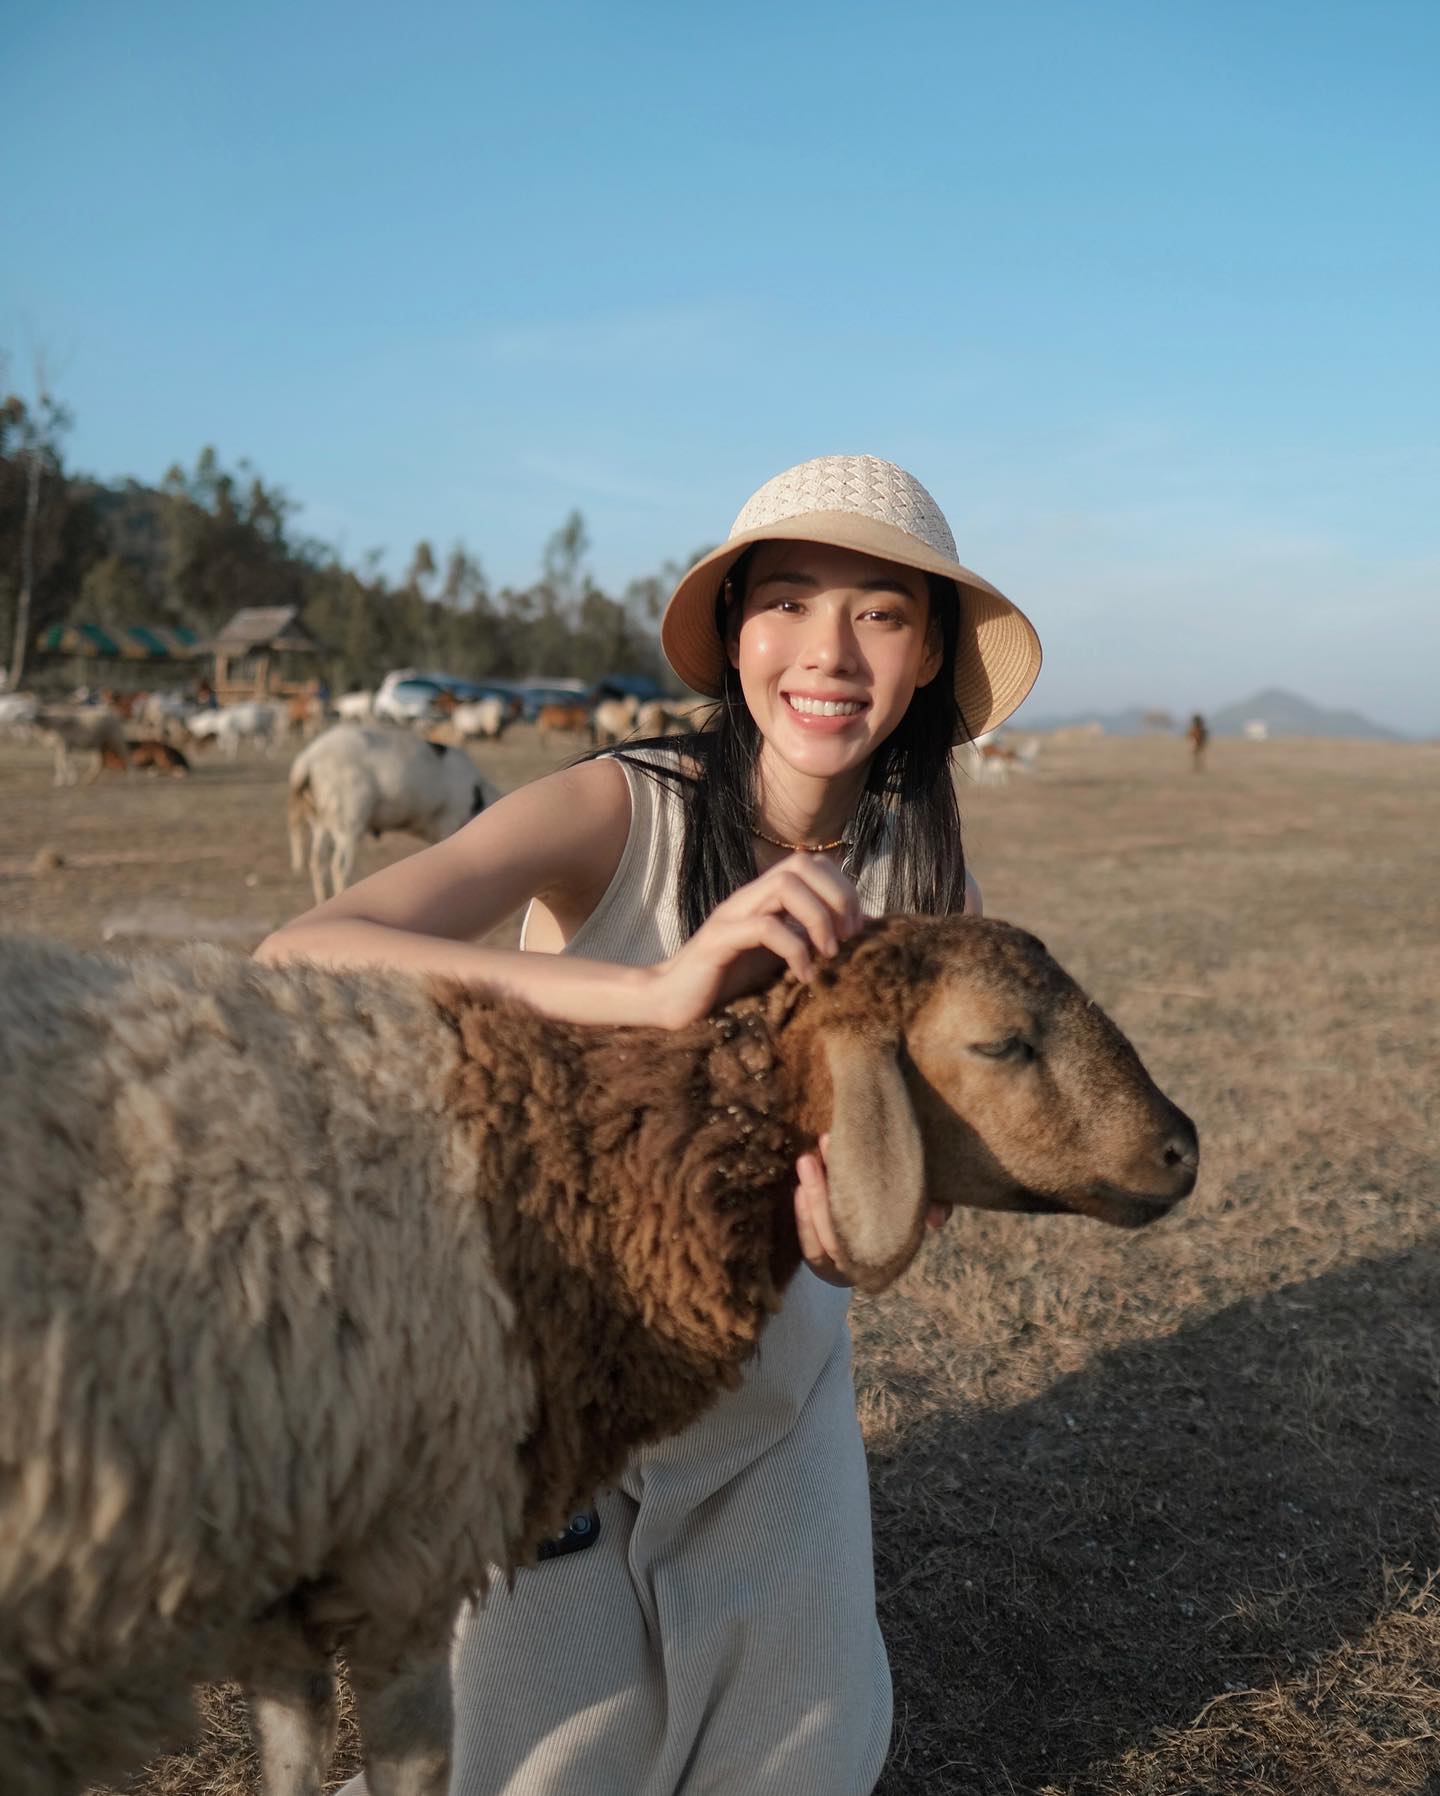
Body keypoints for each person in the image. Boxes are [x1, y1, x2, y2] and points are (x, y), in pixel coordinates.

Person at [256, 453, 1041, 1796]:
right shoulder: (626, 806)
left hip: (770, 1400)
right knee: (545, 1772)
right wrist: (650, 990)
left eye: (883, 613)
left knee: (805, 1766)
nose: (828, 652)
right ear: (735, 633)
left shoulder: (926, 876)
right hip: (553, 1386)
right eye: (787, 602)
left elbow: (903, 1178)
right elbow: (299, 951)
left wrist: (872, 1231)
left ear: (924, 661)